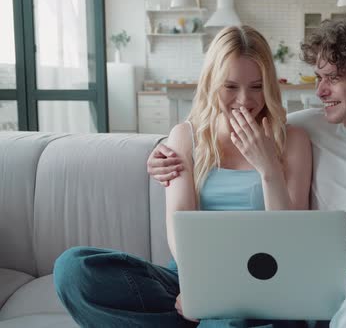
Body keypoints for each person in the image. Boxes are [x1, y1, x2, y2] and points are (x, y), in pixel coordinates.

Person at [149, 12, 346, 328]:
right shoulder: (308, 127)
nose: (320, 91)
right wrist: (162, 152)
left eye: (332, 78)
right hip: (329, 286)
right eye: (319, 78)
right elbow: (232, 130)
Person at [53, 25, 312, 328]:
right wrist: (198, 289)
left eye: (256, 86)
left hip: (261, 277)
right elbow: (179, 222)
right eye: (230, 87)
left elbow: (290, 240)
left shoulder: (292, 139)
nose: (245, 100)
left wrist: (269, 168)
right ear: (211, 83)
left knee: (235, 311)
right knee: (74, 269)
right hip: (191, 272)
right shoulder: (185, 136)